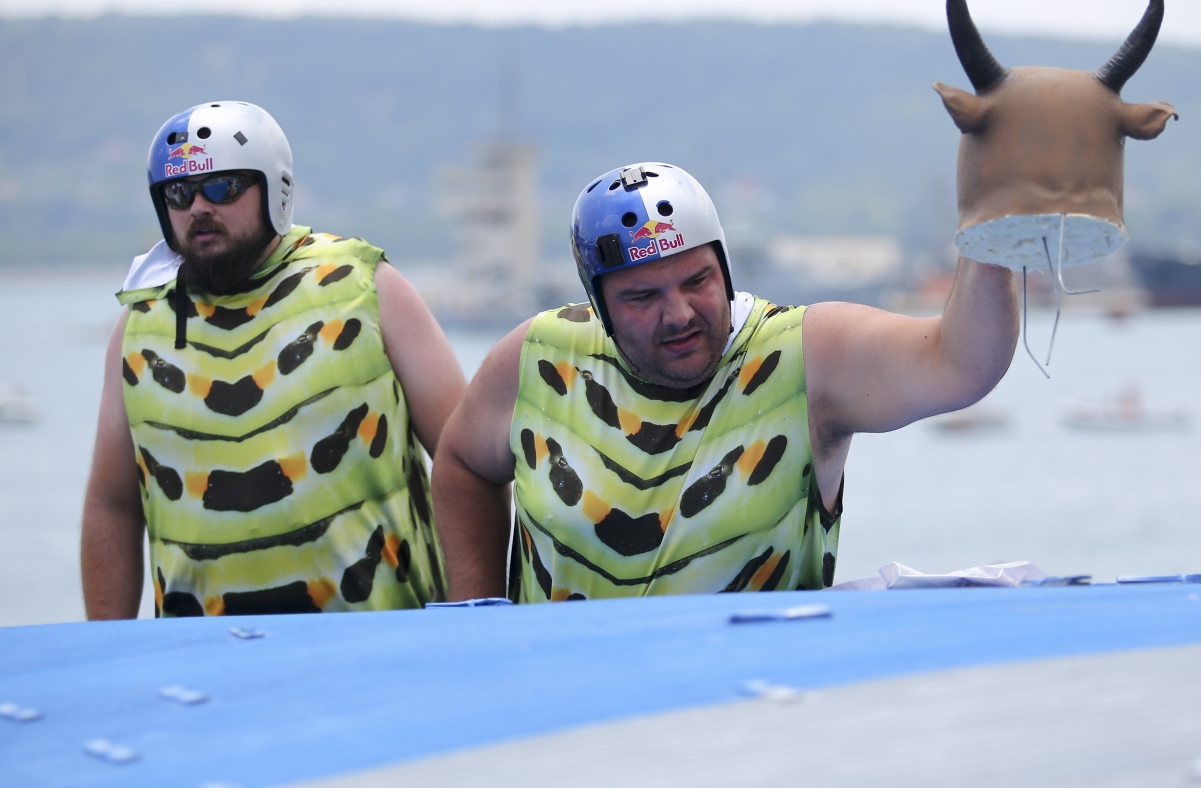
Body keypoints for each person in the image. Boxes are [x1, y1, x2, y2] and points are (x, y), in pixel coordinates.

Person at [432, 162, 1017, 601]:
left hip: (744, 719)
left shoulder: (805, 355)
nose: (680, 313)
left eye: (697, 280)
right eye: (642, 297)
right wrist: (477, 614)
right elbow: (461, 463)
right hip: (569, 713)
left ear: (725, 267)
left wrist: (993, 217)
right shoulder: (540, 356)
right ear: (599, 304)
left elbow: (959, 365)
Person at [81, 101, 465, 618]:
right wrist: (111, 652)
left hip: (383, 644)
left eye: (223, 187)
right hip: (204, 664)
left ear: (274, 189)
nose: (198, 207)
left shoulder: (363, 286)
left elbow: (463, 460)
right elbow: (112, 505)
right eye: (179, 193)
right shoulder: (138, 325)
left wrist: (475, 617)